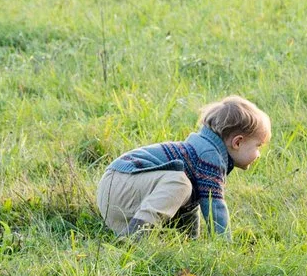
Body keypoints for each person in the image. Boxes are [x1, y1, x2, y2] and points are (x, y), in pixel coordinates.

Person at [98, 96, 271, 239]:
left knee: (184, 188)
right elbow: (214, 206)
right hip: (121, 182)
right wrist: (225, 246)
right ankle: (135, 237)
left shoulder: (201, 153)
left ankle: (134, 232)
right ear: (237, 142)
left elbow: (190, 207)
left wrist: (190, 241)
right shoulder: (210, 156)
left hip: (116, 192)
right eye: (258, 146)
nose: (259, 154)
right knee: (179, 183)